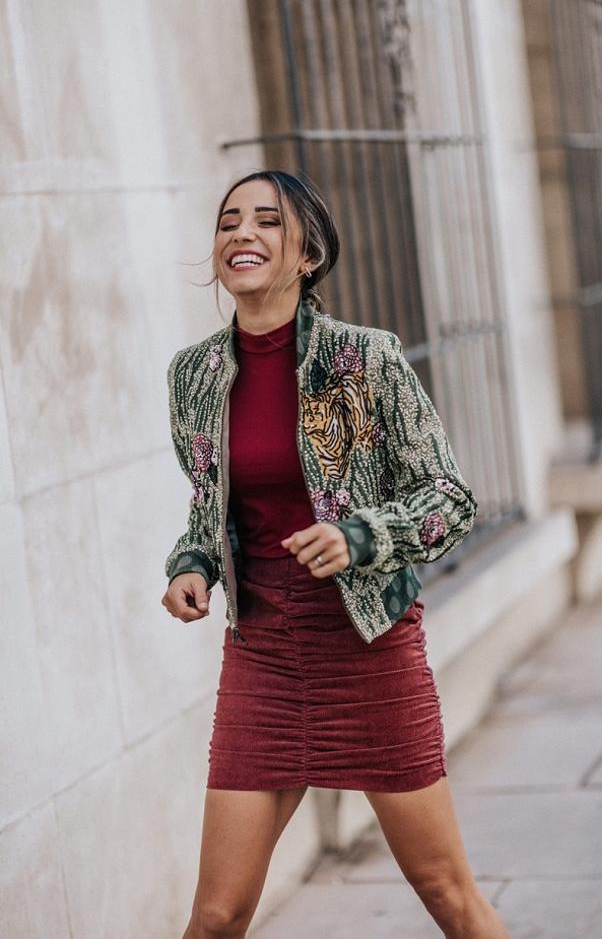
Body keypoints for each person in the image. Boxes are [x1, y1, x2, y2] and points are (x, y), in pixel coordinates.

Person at [161, 169, 511, 939]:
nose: (242, 234)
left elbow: (449, 499)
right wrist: (193, 564)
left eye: (267, 222)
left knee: (446, 890)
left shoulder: (367, 360)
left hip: (369, 647)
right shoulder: (195, 375)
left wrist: (358, 537)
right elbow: (207, 503)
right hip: (263, 653)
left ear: (308, 254)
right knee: (217, 915)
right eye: (228, 222)